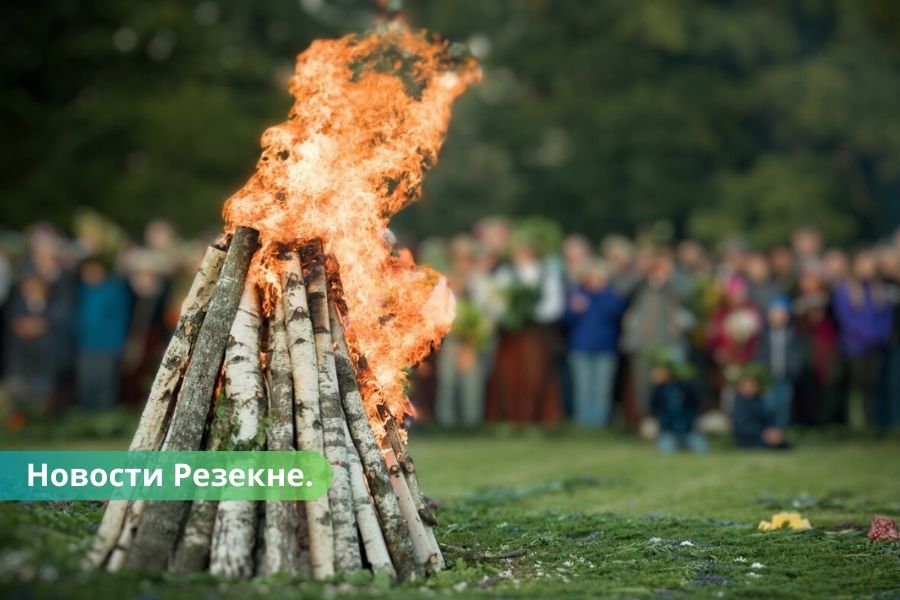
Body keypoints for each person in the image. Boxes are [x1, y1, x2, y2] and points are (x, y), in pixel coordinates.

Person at [485, 230, 565, 426]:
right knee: (509, 374)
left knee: (536, 373)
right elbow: (496, 299)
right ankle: (510, 414)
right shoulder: (506, 272)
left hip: (536, 333)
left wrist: (533, 314)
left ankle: (537, 415)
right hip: (511, 333)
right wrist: (509, 315)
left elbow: (554, 303)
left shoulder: (546, 272)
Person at [832, 250, 894, 431]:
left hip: (875, 346)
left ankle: (872, 424)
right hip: (854, 346)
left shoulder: (879, 289)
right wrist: (866, 335)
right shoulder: (845, 289)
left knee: (873, 387)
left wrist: (878, 336)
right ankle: (853, 425)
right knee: (855, 386)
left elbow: (885, 317)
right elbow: (847, 318)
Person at [563, 260, 626, 428]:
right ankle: (584, 420)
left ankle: (599, 420)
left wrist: (604, 293)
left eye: (599, 278)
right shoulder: (577, 296)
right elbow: (566, 320)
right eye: (592, 277)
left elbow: (617, 312)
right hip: (580, 347)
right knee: (583, 386)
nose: (595, 281)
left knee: (602, 387)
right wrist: (574, 310)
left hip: (606, 348)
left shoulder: (611, 296)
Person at [75, 255, 131, 411]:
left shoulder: (116, 289)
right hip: (85, 343)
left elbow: (121, 319)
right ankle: (85, 417)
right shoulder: (81, 290)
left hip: (108, 345)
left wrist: (119, 344)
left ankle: (104, 418)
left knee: (105, 382)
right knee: (85, 382)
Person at [756, 296, 803, 430]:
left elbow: (797, 355)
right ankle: (767, 432)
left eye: (781, 314)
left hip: (785, 377)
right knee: (768, 405)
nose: (777, 317)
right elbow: (759, 355)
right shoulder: (763, 335)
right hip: (768, 378)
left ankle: (780, 433)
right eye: (774, 314)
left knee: (783, 406)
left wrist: (794, 370)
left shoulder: (792, 334)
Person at [648, 349, 707, 453]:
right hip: (668, 430)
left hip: (689, 429)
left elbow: (695, 406)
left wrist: (688, 422)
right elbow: (655, 409)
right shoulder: (660, 388)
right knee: (666, 450)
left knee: (702, 449)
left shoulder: (689, 387)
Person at [731, 363, 787, 449]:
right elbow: (742, 426)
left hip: (763, 435)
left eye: (754, 384)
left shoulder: (758, 399)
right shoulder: (739, 402)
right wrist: (763, 434)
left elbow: (766, 418)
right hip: (750, 439)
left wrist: (773, 430)